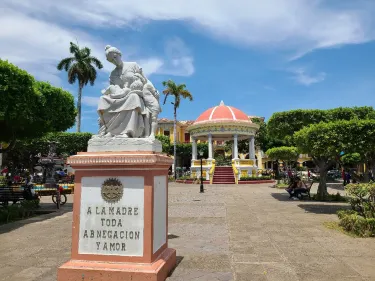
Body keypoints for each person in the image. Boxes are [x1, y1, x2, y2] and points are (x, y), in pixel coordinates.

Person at [97, 45, 149, 138]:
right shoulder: (112, 74)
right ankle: (111, 131)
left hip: (133, 93)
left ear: (119, 54)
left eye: (115, 57)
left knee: (133, 98)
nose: (114, 60)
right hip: (119, 95)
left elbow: (145, 81)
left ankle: (128, 132)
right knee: (103, 99)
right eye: (111, 60)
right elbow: (113, 87)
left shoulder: (133, 65)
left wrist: (139, 82)